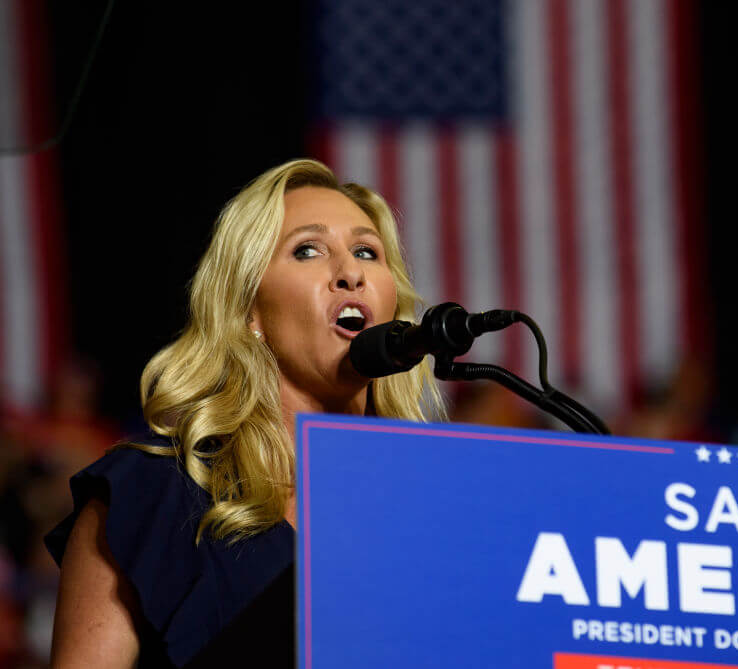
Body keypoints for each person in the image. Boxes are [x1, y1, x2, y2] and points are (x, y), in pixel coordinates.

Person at [44, 159, 444, 667]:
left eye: (367, 251)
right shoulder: (148, 499)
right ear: (248, 310)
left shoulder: (431, 509)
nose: (351, 272)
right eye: (308, 250)